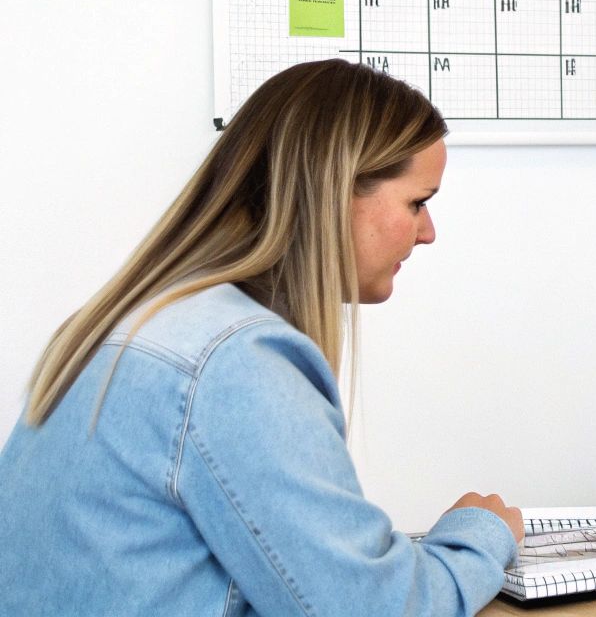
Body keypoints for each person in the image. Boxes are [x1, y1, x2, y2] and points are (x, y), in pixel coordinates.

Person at [0, 59, 522, 617]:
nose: (428, 232)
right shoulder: (234, 361)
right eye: (417, 201)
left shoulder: (126, 324)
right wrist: (480, 535)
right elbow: (372, 607)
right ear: (334, 192)